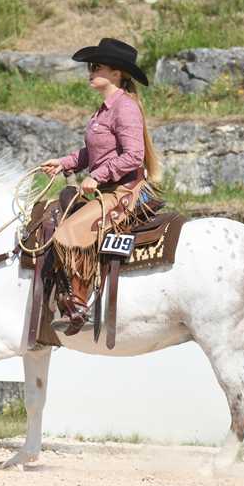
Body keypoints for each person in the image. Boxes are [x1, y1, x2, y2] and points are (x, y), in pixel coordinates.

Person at [40, 38, 163, 336]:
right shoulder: (104, 110)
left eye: (97, 66)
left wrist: (98, 176)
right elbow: (93, 152)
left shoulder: (125, 108)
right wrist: (64, 163)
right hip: (108, 189)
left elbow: (133, 156)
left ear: (116, 72)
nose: (90, 71)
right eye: (90, 67)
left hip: (124, 191)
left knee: (68, 233)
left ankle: (80, 305)